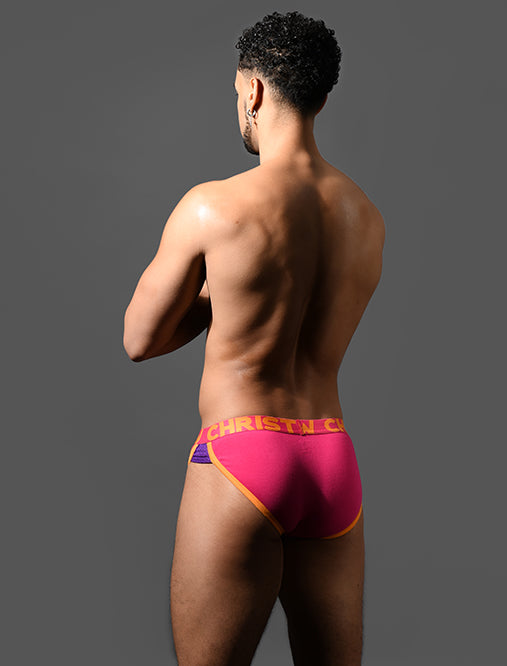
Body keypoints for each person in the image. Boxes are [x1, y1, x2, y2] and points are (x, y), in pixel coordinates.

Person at [123, 10, 385, 666]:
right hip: (331, 459)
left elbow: (139, 338)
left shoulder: (213, 206)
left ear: (254, 90)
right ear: (321, 97)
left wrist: (223, 292)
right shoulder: (365, 217)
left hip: (243, 452)